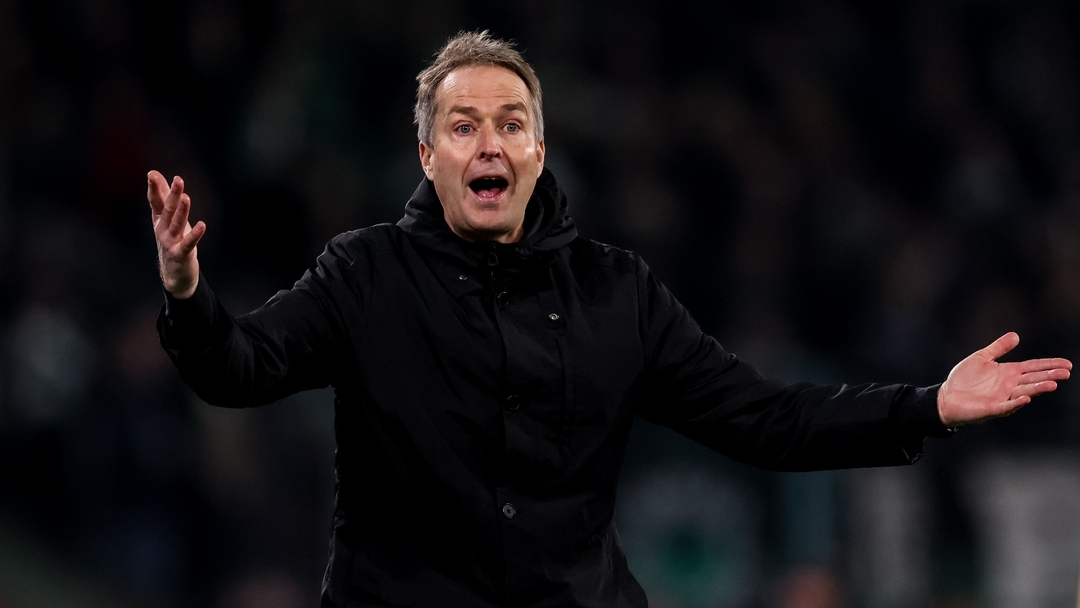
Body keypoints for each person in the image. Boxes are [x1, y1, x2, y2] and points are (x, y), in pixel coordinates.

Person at [149, 31, 1071, 608]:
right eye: (463, 126)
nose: (489, 141)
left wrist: (927, 405)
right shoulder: (365, 273)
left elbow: (765, 419)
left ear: (539, 150)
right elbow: (240, 369)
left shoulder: (615, 291)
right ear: (427, 155)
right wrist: (188, 292)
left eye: (511, 123)